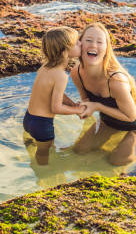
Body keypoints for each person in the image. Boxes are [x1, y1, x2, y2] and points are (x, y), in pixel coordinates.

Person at [70, 22, 136, 166]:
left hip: (134, 126)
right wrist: (79, 109)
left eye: (100, 42)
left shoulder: (116, 81)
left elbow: (130, 116)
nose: (93, 45)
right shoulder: (76, 73)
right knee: (79, 151)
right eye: (88, 40)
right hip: (107, 123)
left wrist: (97, 106)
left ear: (106, 49)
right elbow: (87, 102)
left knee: (117, 161)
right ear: (80, 44)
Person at [23, 26, 88, 165]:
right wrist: (77, 110)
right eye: (77, 43)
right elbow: (56, 108)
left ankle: (32, 153)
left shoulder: (45, 68)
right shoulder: (61, 76)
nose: (81, 43)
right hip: (42, 125)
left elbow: (53, 92)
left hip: (28, 119)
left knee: (38, 146)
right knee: (44, 154)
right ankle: (43, 175)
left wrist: (71, 104)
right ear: (65, 52)